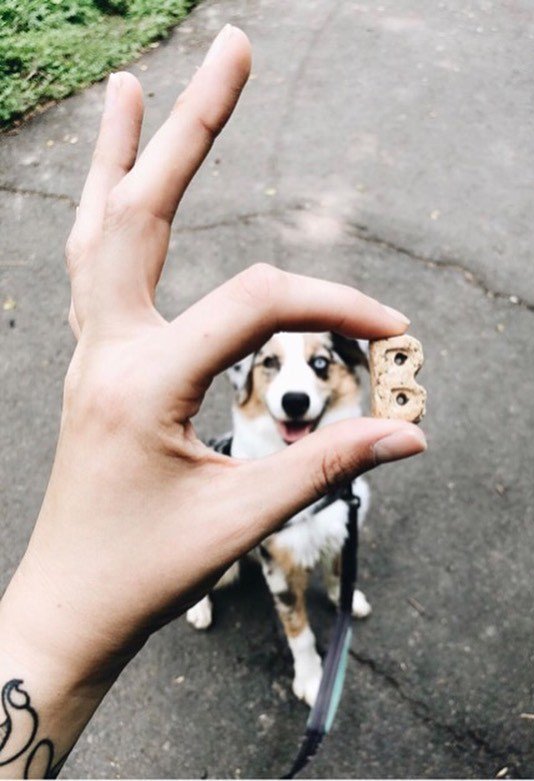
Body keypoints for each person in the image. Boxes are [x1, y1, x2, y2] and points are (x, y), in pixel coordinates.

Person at [0, 25, 426, 778]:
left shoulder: (339, 422)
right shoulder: (253, 439)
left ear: (345, 376)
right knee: (261, 565)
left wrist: (46, 644)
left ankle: (333, 585)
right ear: (249, 385)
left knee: (323, 555)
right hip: (254, 530)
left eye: (319, 365)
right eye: (274, 368)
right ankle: (260, 619)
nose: (298, 386)